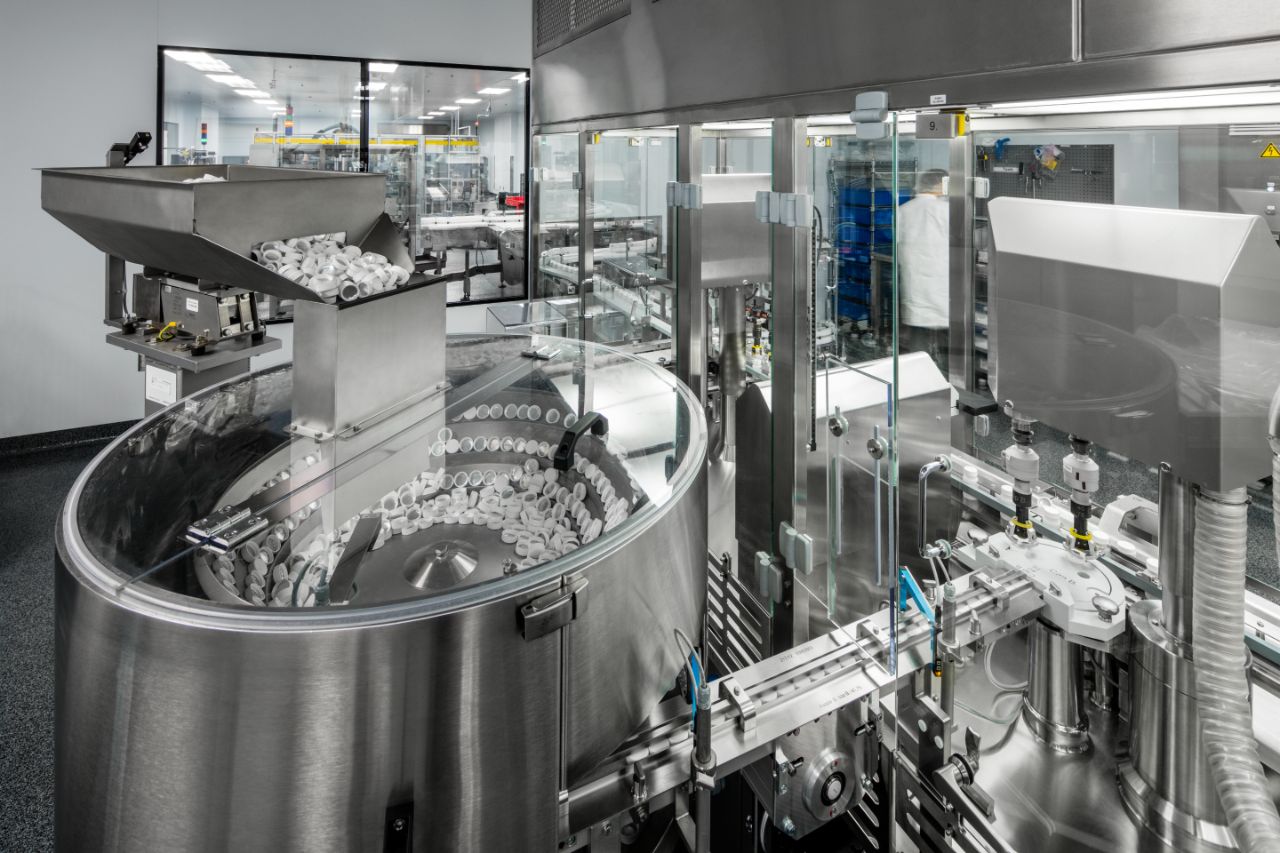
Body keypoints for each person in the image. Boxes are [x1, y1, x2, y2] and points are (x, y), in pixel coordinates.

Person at [897, 169, 950, 377]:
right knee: (948, 339)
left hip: (915, 282)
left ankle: (920, 380)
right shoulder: (946, 210)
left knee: (918, 339)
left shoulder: (904, 210)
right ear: (940, 185)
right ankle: (947, 379)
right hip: (942, 282)